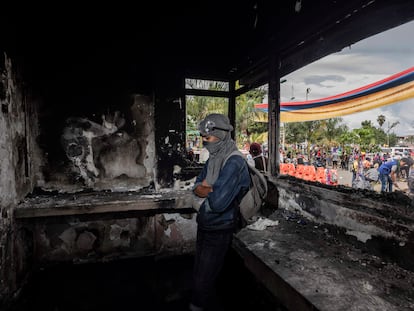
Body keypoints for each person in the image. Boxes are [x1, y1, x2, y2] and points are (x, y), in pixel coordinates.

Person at [190, 113, 250, 311]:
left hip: (219, 226)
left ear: (221, 135)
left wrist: (207, 189)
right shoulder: (215, 158)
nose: (205, 143)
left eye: (207, 138)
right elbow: (197, 186)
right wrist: (209, 188)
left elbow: (217, 202)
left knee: (204, 279)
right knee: (200, 271)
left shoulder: (234, 162)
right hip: (205, 222)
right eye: (203, 138)